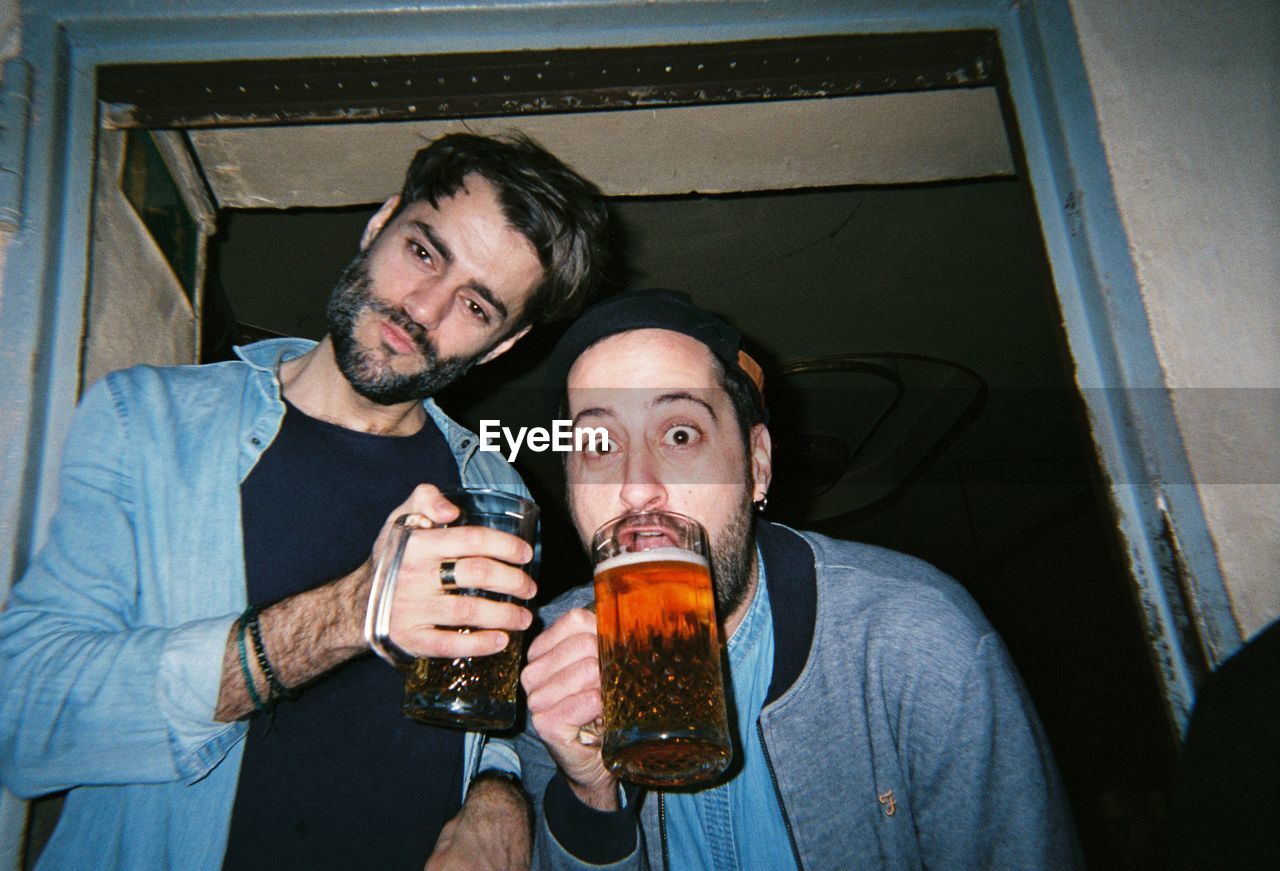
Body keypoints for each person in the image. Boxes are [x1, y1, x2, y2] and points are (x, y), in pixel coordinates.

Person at [0, 132, 608, 870]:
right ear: (381, 222)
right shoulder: (150, 419)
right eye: (423, 252)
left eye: (476, 306)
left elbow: (488, 717)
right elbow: (22, 713)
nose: (422, 308)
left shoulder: (499, 497)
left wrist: (497, 800)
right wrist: (351, 611)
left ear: (501, 348)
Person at [516, 288, 1083, 869]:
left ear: (757, 465)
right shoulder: (545, 663)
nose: (637, 488)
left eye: (680, 434)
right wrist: (589, 800)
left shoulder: (916, 637)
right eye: (598, 444)